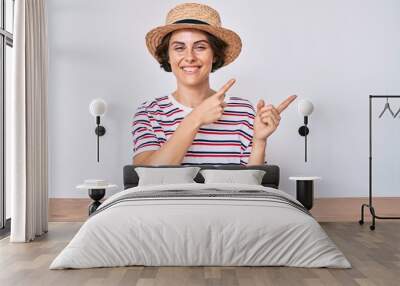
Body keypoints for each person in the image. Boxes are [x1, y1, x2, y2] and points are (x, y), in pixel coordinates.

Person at [132, 3, 296, 166]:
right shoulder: (149, 112)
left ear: (215, 55)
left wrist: (260, 141)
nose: (189, 57)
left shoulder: (243, 111)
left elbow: (252, 186)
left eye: (200, 47)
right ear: (168, 56)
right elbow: (145, 178)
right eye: (179, 48)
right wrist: (196, 118)